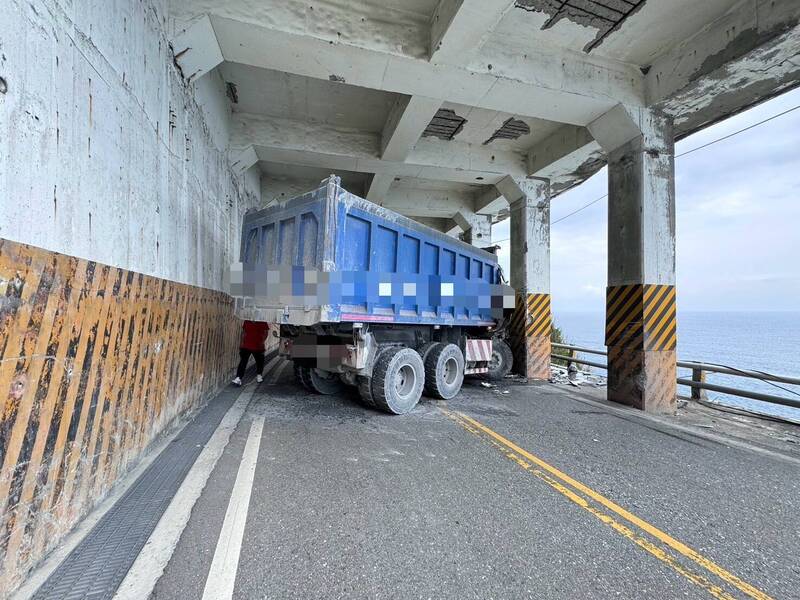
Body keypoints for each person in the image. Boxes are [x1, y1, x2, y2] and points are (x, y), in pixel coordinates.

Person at [232, 320, 270, 386]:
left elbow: (266, 333)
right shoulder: (247, 321)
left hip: (258, 345)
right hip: (246, 345)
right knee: (243, 362)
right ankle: (238, 378)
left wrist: (262, 341)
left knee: (259, 361)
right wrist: (241, 343)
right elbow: (244, 332)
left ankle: (259, 375)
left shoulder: (262, 322)